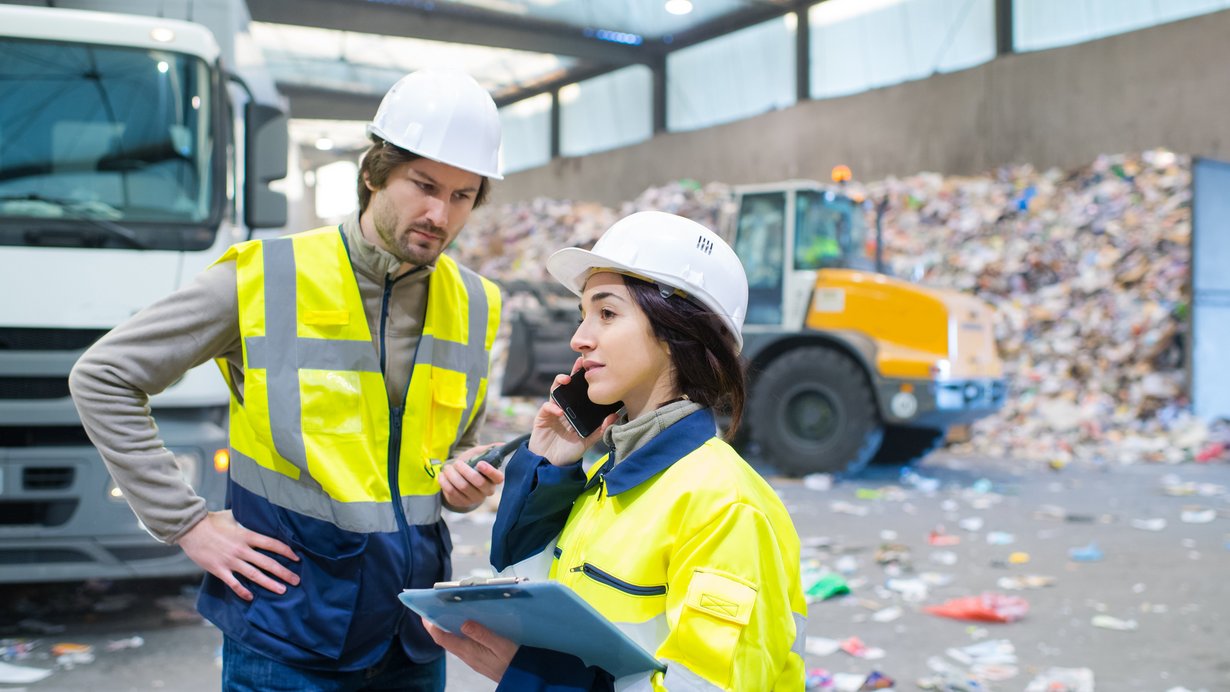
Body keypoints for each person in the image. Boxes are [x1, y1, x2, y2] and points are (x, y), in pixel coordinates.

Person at [68, 68, 508, 690]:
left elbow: (448, 449)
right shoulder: (265, 277)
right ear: (374, 172)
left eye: (463, 195)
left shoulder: (476, 302)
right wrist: (186, 523)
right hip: (288, 630)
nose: (439, 213)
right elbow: (104, 376)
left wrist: (463, 479)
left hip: (411, 632)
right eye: (424, 184)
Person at [426, 211, 808, 690]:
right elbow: (539, 596)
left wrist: (534, 679)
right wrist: (547, 468)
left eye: (606, 313)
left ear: (678, 333)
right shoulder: (608, 477)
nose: (579, 338)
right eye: (584, 314)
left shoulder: (725, 506)